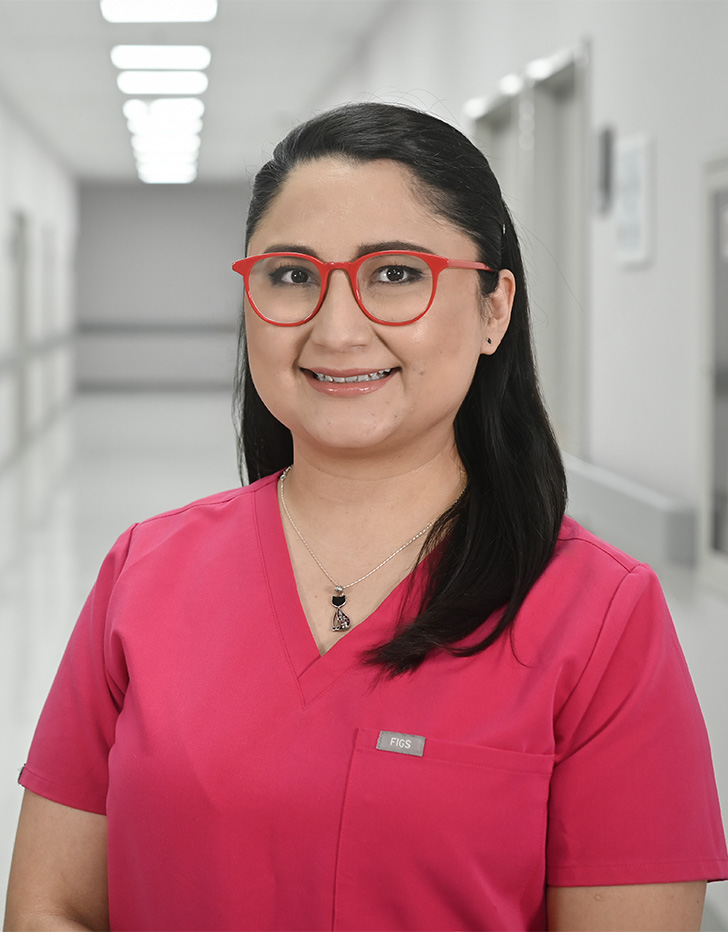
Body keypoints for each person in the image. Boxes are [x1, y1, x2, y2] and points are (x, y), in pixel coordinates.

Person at [5, 102, 727, 932]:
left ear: (494, 309)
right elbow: (50, 905)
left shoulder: (598, 617)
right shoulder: (146, 571)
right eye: (292, 275)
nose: (337, 328)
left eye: (395, 274)